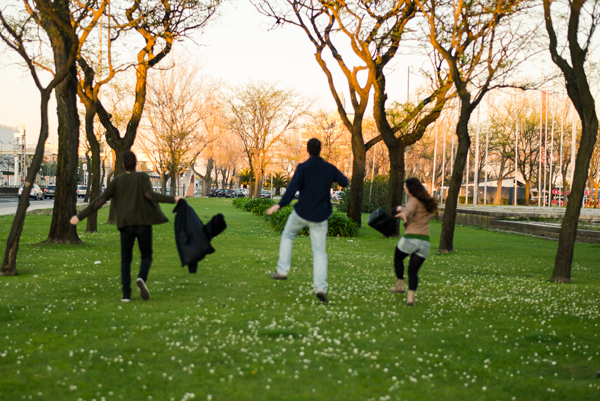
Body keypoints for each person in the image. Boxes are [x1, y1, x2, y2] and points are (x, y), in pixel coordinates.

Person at [70, 151, 182, 302]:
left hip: (125, 225)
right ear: (136, 164)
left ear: (122, 164)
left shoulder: (117, 181)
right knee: (146, 255)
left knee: (126, 259)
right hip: (143, 223)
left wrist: (79, 217)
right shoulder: (142, 177)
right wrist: (174, 199)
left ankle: (126, 295)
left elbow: (100, 201)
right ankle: (141, 277)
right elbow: (151, 196)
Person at [265, 138, 349, 303]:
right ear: (320, 150)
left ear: (307, 150)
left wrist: (279, 205)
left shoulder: (303, 168)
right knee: (319, 252)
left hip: (301, 213)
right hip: (320, 216)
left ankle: (283, 270)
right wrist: (333, 177)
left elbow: (292, 189)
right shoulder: (329, 168)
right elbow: (345, 182)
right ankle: (320, 287)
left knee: (288, 236)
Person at [389, 178, 438, 306]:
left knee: (398, 258)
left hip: (411, 238)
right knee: (413, 271)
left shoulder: (413, 200)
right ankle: (411, 299)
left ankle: (400, 285)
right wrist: (403, 210)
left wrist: (404, 214)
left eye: (405, 187)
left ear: (409, 189)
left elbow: (410, 211)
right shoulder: (424, 202)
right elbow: (413, 211)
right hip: (425, 242)